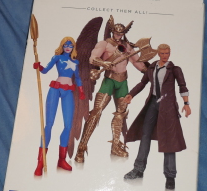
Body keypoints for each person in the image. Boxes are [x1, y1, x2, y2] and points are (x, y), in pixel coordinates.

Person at [74, 16, 148, 162]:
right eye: (116, 32)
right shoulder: (105, 43)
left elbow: (137, 63)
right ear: (113, 31)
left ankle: (115, 146)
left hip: (123, 82)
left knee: (121, 114)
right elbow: (92, 58)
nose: (118, 35)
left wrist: (149, 72)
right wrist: (103, 63)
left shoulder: (127, 47)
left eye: (121, 33)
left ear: (124, 33)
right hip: (109, 80)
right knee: (96, 112)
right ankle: (81, 148)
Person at [123, 44, 191, 189]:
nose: (165, 55)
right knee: (145, 134)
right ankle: (138, 169)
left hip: (168, 106)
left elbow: (182, 86)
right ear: (158, 54)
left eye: (167, 53)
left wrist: (186, 103)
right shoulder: (152, 68)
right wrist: (131, 94)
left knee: (169, 139)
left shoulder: (174, 69)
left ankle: (170, 175)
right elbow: (143, 83)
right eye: (162, 53)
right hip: (153, 103)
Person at [33, 37, 85, 176]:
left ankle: (61, 160)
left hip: (68, 91)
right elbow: (45, 70)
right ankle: (40, 163)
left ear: (73, 48)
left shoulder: (75, 62)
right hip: (55, 90)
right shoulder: (57, 58)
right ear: (62, 46)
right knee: (48, 124)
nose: (68, 47)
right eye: (65, 45)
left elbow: (77, 77)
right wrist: (39, 66)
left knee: (68, 125)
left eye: (70, 45)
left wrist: (81, 90)